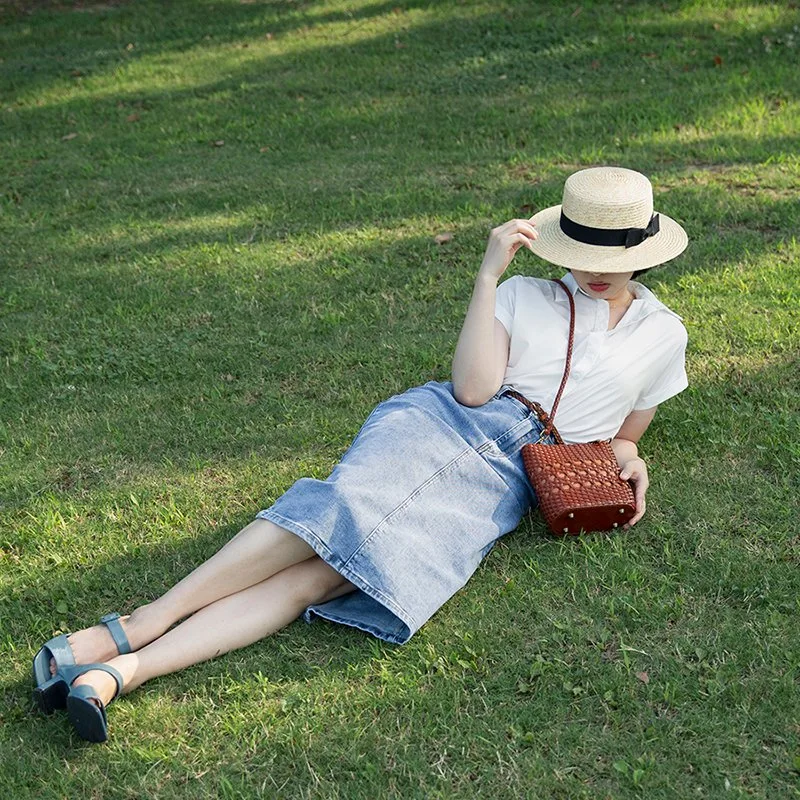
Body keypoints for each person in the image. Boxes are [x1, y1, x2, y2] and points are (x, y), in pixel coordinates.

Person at [32, 166, 689, 743]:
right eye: (582, 254)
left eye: (612, 257)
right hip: (445, 423)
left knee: (327, 575)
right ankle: (134, 626)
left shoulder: (664, 334)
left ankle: (120, 673)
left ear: (646, 251)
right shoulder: (526, 297)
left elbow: (627, 428)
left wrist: (630, 455)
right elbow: (472, 389)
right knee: (335, 513)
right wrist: (489, 277)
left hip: (513, 478)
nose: (597, 271)